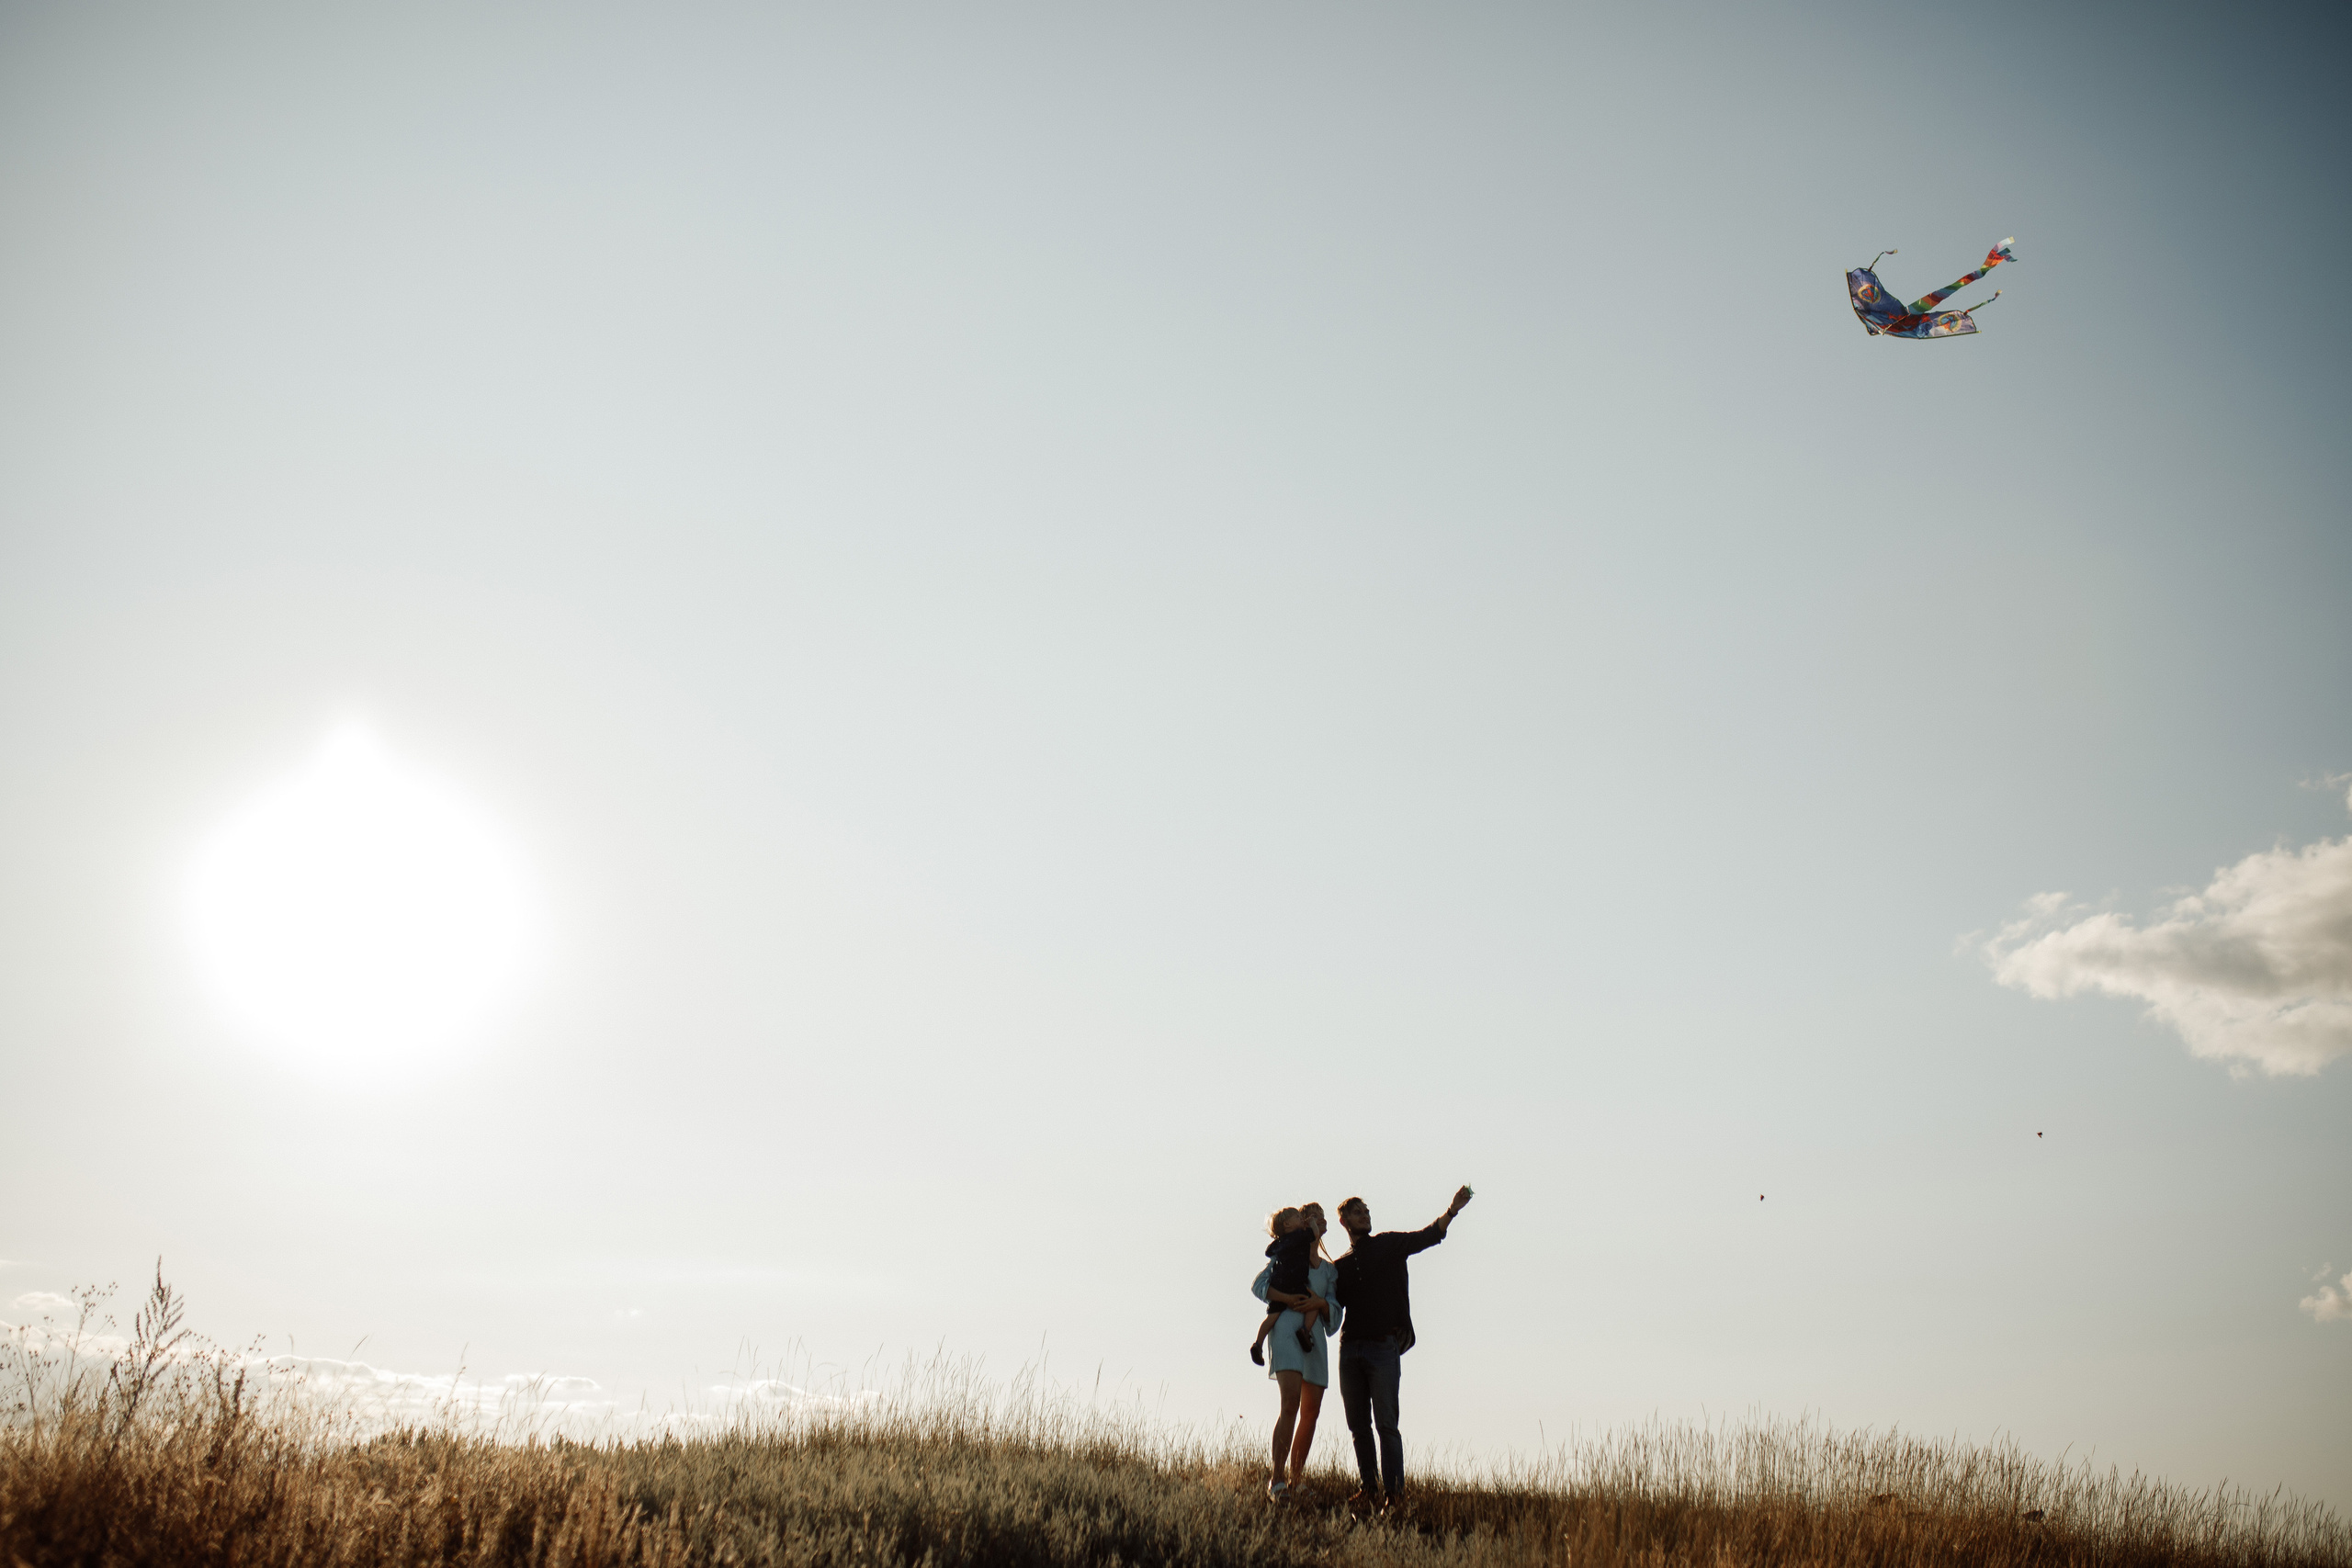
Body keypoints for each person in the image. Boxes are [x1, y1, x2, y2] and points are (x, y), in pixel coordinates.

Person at [1332, 1185, 1472, 1513]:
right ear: (1344, 1222)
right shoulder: (1339, 1267)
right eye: (1356, 1212)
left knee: (1386, 1424)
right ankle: (1368, 1488)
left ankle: (1394, 1496)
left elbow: (1427, 1236)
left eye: (1366, 1210)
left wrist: (1451, 1211)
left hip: (1383, 1348)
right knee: (1357, 1425)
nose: (1364, 1215)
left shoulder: (1388, 1244)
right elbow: (1328, 1304)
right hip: (1349, 1349)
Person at [1250, 1201, 1340, 1502]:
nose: (1316, 1221)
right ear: (1302, 1223)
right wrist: (1288, 1298)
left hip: (1313, 1339)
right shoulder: (1287, 1254)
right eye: (1311, 1217)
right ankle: (1276, 1480)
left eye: (1321, 1218)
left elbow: (1335, 1310)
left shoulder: (1329, 1271)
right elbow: (1259, 1286)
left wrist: (1320, 1304)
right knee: (1290, 1404)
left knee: (1311, 1412)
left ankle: (1296, 1481)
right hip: (1286, 1331)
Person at [1251, 1208, 1323, 1365]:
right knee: (1313, 1305)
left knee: (1272, 1317)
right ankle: (1305, 1331)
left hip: (1279, 1283)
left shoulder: (1278, 1244)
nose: (1301, 1218)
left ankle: (1258, 1344)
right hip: (1295, 1282)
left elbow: (1268, 1252)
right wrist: (1311, 1223)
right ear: (1288, 1224)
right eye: (1298, 1217)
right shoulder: (1299, 1237)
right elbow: (1314, 1234)